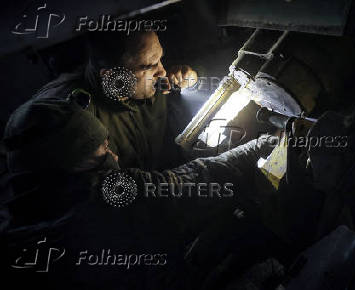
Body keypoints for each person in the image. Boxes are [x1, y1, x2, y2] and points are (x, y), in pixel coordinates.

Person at [0, 97, 279, 290]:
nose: (114, 155)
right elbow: (195, 181)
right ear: (65, 167)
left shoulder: (15, 211)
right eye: (101, 152)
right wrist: (259, 146)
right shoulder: (109, 199)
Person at [34, 31, 198, 170]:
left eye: (160, 59)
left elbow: (190, 80)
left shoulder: (151, 75)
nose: (162, 71)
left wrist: (192, 80)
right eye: (149, 66)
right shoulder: (76, 115)